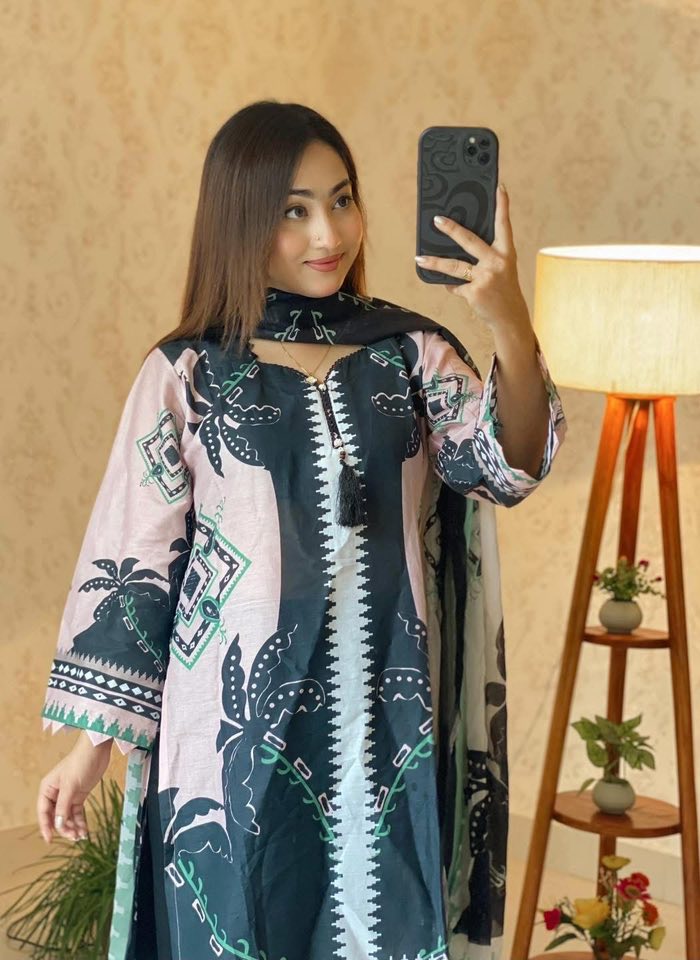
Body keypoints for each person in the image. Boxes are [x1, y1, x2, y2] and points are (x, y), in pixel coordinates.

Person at [37, 100, 566, 960]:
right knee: (242, 919)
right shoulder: (187, 372)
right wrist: (90, 749)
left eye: (342, 199)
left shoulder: (411, 353)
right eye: (294, 209)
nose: (330, 232)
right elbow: (136, 563)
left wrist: (507, 315)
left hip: (387, 720)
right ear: (241, 220)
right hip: (230, 741)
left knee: (383, 923)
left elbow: (504, 466)